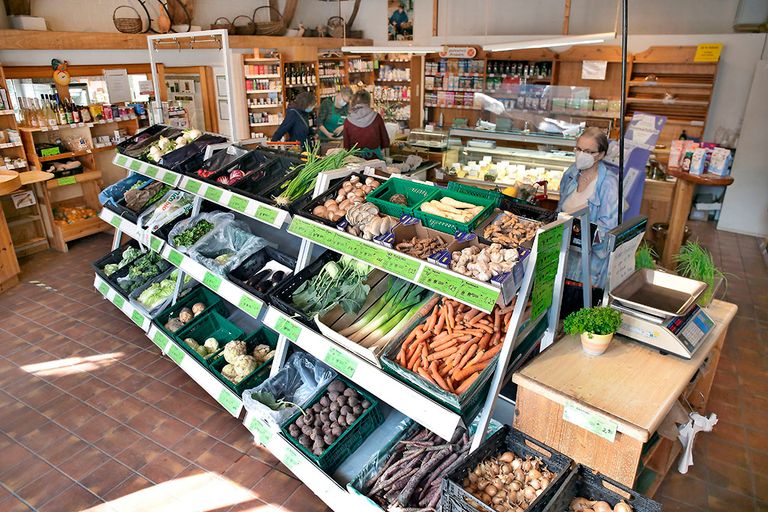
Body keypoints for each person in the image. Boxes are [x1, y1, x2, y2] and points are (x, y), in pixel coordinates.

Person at [557, 126, 619, 316]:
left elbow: (608, 231)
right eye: (578, 149)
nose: (581, 155)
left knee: (577, 312)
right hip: (563, 255)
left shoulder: (608, 185)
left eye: (588, 151)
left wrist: (579, 235)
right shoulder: (571, 173)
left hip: (587, 267)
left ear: (600, 155)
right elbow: (560, 206)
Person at [343, 90, 390, 159]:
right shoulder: (377, 117)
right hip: (375, 159)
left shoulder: (348, 120)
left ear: (353, 101)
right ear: (369, 101)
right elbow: (385, 142)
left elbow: (346, 147)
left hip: (355, 160)